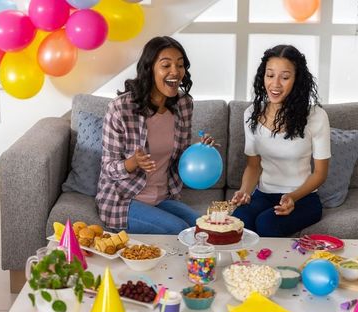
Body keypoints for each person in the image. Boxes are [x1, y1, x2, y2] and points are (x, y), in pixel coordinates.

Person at [96, 36, 213, 235]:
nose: (175, 72)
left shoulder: (183, 105)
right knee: (180, 231)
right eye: (166, 65)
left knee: (204, 229)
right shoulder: (121, 108)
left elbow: (180, 157)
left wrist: (199, 149)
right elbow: (108, 168)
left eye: (180, 65)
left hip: (162, 198)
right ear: (150, 69)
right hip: (124, 200)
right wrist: (133, 162)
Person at [231, 44, 330, 237]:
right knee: (240, 221)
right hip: (264, 194)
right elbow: (253, 166)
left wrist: (293, 197)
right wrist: (245, 191)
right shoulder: (251, 114)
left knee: (267, 223)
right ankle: (245, 267)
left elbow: (320, 173)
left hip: (303, 198)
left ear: (296, 80)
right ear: (263, 77)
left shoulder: (316, 116)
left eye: (284, 77)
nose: (275, 84)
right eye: (270, 75)